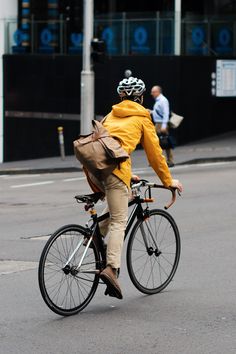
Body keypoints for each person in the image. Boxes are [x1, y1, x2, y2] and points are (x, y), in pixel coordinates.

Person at [88, 72, 183, 300]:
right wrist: (168, 181)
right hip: (115, 172)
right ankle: (112, 268)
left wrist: (128, 175)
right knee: (120, 220)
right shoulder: (141, 118)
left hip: (95, 171)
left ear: (121, 97)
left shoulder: (111, 115)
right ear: (141, 98)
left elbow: (105, 148)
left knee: (122, 196)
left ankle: (92, 236)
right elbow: (155, 156)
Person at [150, 85, 174, 167]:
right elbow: (158, 112)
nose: (152, 94)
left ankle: (170, 161)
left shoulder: (163, 100)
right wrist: (151, 112)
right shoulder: (158, 100)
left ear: (158, 92)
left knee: (166, 142)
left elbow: (166, 113)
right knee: (156, 142)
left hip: (161, 124)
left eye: (153, 92)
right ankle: (158, 161)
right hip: (158, 123)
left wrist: (164, 125)